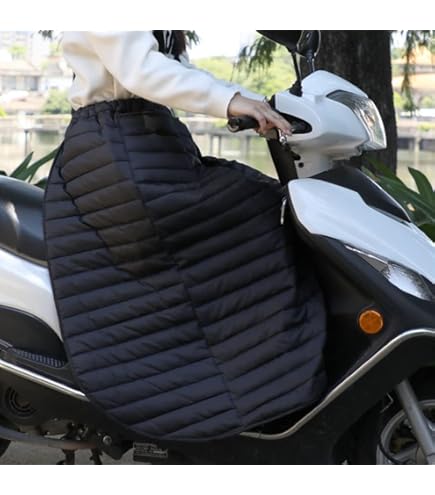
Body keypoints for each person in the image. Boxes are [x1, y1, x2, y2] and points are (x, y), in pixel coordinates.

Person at [43, 31, 326, 442]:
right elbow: (141, 70)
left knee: (257, 206)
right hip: (117, 150)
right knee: (259, 206)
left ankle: (258, 384)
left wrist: (256, 102)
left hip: (144, 142)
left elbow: (171, 68)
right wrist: (233, 100)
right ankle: (253, 391)